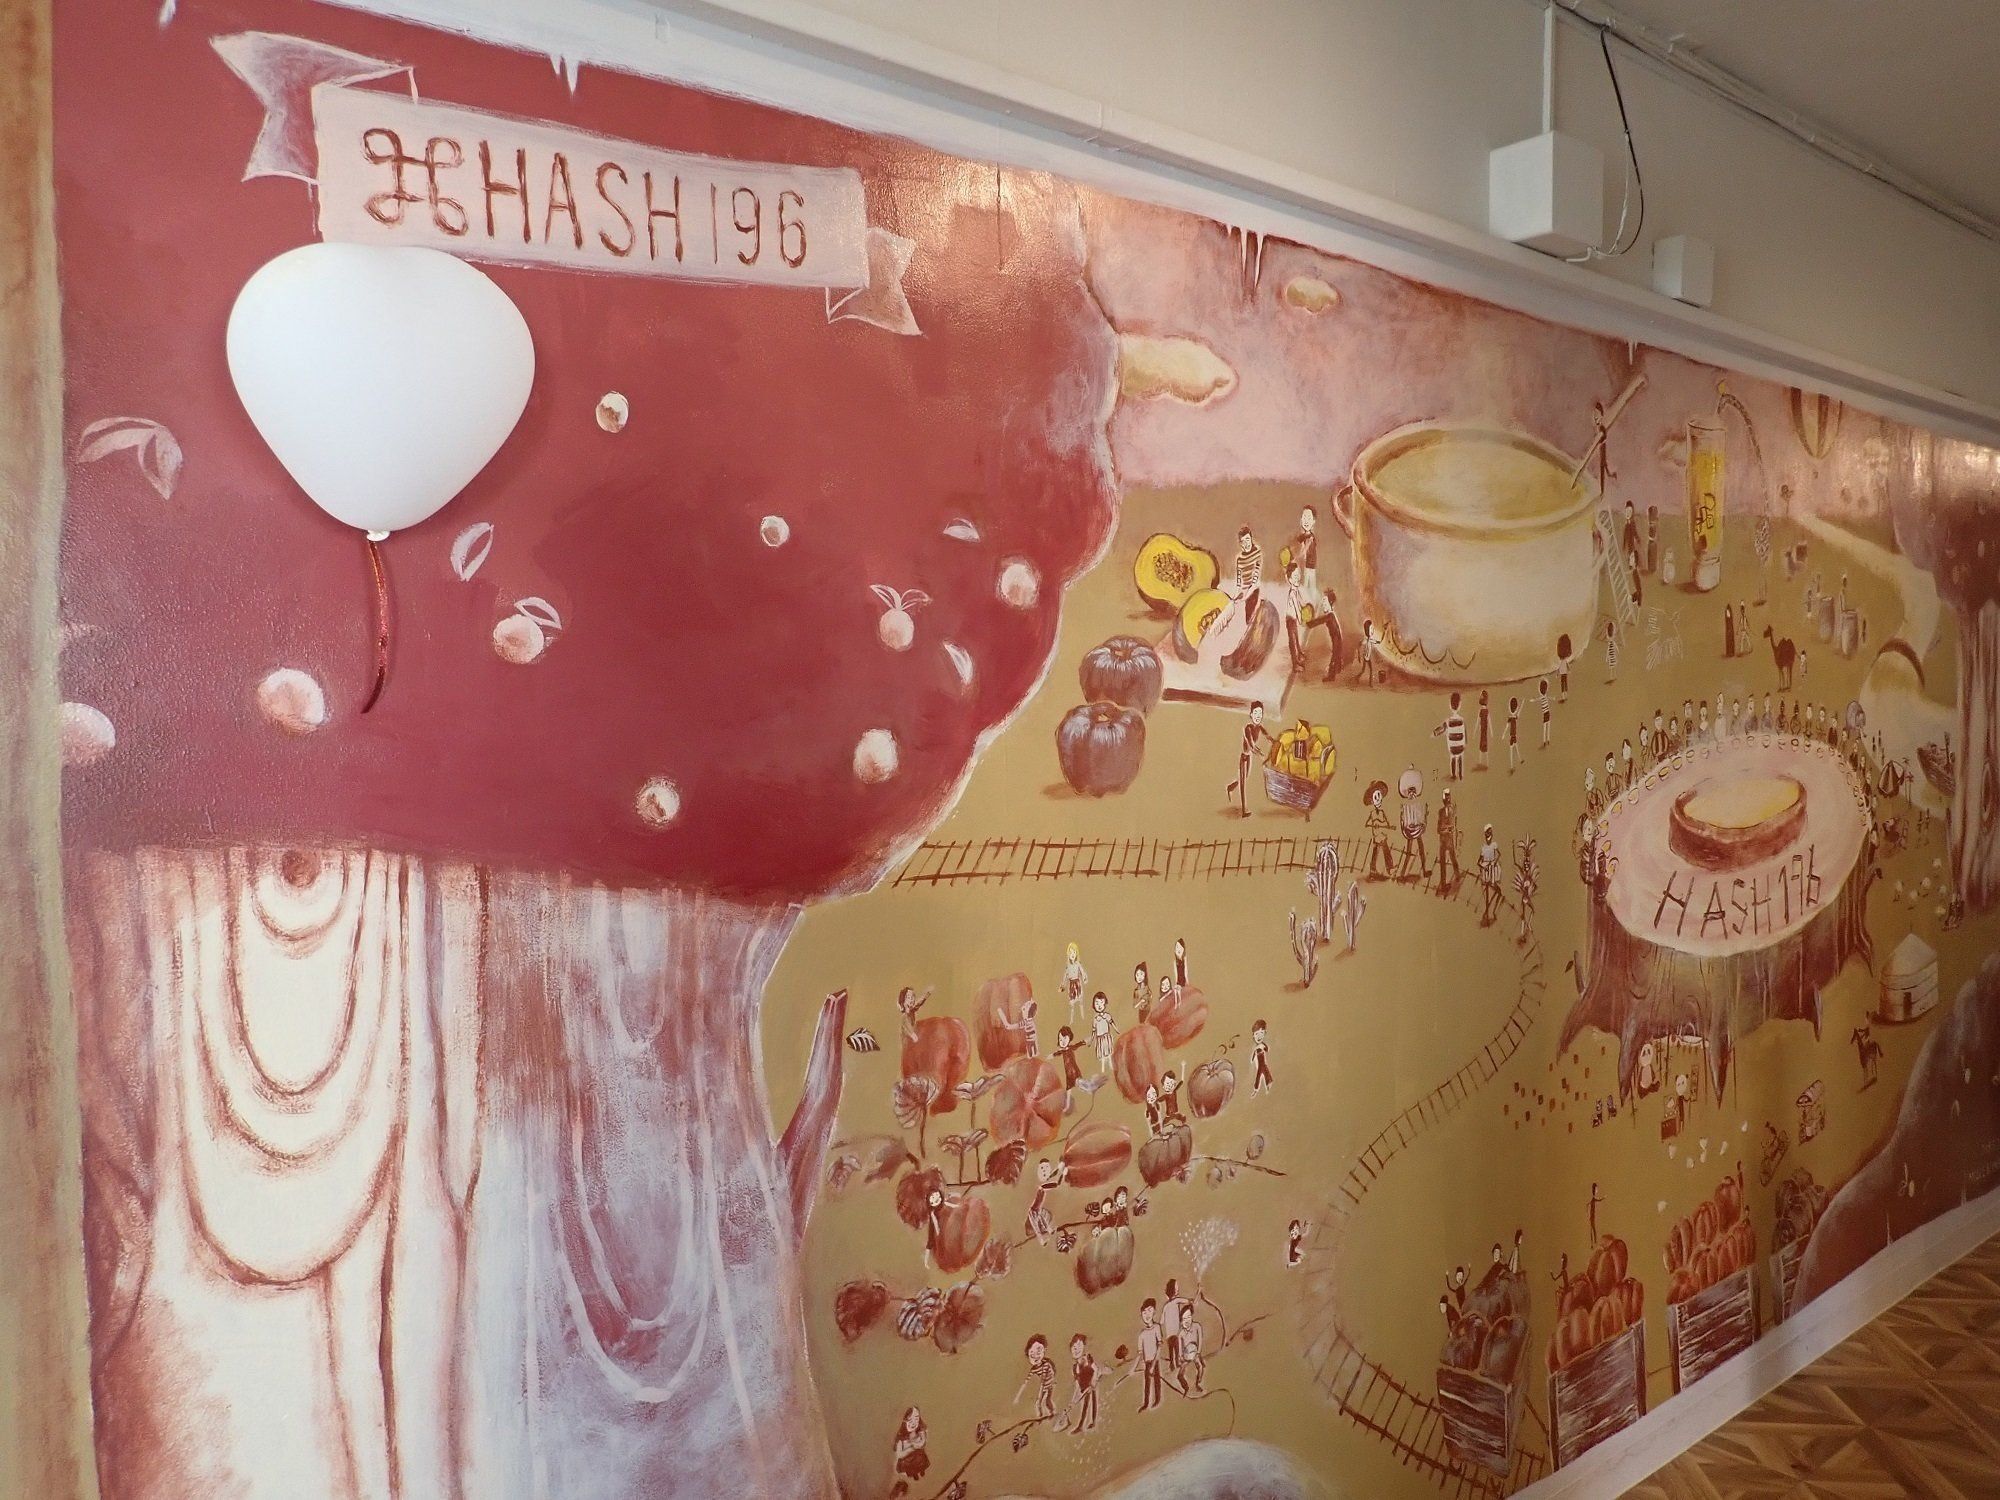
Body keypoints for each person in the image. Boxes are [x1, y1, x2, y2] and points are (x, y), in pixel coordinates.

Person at [1227, 702, 1272, 817]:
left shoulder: (1260, 727)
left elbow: (1268, 736)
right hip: (1244, 758)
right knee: (1243, 783)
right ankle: (1244, 811)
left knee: (1244, 778)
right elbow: (1251, 745)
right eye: (1255, 713)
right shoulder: (1248, 728)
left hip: (1249, 757)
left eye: (1260, 713)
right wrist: (1261, 754)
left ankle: (1230, 787)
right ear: (1251, 714)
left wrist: (1275, 742)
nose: (1258, 716)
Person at [1396, 766, 1429, 880]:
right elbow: (1404, 819)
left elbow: (1421, 816)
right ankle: (1402, 874)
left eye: (1413, 791)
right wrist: (1407, 826)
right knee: (1409, 852)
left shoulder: (1418, 805)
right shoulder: (1405, 806)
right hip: (1409, 830)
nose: (1412, 793)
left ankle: (1424, 870)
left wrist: (1422, 822)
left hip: (1417, 829)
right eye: (1410, 791)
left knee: (1421, 849)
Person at [1018, 1335, 1058, 1421]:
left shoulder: (1046, 1365)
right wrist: (1018, 1396)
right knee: (1039, 1402)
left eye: (1039, 1351)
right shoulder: (1034, 1369)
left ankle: (1051, 1413)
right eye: (1032, 1354)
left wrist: (1040, 1395)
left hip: (1049, 1385)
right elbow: (1026, 1382)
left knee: (1045, 1401)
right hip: (1044, 1386)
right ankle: (1040, 1416)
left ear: (1044, 1350)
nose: (1035, 1356)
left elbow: (1043, 1382)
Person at [1135, 1299, 1165, 1411]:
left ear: (1154, 1312)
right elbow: (1140, 1353)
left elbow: (1159, 1346)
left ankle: (1157, 1399)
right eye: (1144, 1312)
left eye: (1149, 1311)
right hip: (1147, 1362)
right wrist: (1134, 1367)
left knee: (1156, 1380)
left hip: (1155, 1361)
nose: (1147, 1315)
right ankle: (1146, 1403)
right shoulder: (1142, 1334)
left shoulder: (1157, 1327)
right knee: (1147, 1383)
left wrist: (1153, 1364)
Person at [1027, 1157, 1063, 1243]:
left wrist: (1059, 1169)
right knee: (1037, 1228)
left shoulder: (1043, 1184)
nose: (1044, 1170)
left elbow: (1052, 1178)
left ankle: (1050, 1231)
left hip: (1038, 1210)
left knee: (1043, 1221)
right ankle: (1043, 1240)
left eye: (1046, 1168)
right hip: (1033, 1211)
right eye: (1042, 1168)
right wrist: (1061, 1173)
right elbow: (1055, 1183)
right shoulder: (1041, 1187)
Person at [1069, 1334, 1100, 1433]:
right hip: (1084, 1389)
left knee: (1093, 1403)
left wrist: (1093, 1381)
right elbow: (1077, 1384)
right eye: (1074, 1347)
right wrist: (1074, 1399)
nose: (1076, 1350)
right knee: (1085, 1406)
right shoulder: (1075, 1368)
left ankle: (1093, 1422)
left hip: (1091, 1386)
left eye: (1079, 1346)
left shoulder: (1088, 1359)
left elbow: (1096, 1369)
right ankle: (1081, 1425)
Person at [892, 1406, 929, 1488]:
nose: (913, 1423)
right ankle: (915, 1474)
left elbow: (923, 1442)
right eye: (910, 1420)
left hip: (918, 1456)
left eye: (916, 1419)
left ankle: (921, 1470)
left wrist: (918, 1444)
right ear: (904, 1421)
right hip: (908, 1460)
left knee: (921, 1460)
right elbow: (899, 1455)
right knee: (911, 1467)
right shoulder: (901, 1437)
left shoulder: (920, 1429)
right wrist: (912, 1447)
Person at [1363, 779, 1394, 878]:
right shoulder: (1372, 813)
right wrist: (1373, 825)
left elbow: (1386, 822)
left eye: (1379, 796)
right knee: (1376, 852)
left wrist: (1384, 825)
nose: (1378, 799)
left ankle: (1389, 868)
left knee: (1385, 850)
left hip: (1382, 834)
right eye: (1375, 797)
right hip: (1376, 835)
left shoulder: (1381, 812)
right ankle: (1373, 869)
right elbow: (1367, 823)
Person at [1435, 691, 1467, 779]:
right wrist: (1464, 744)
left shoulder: (1448, 721)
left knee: (1452, 758)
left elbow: (1441, 729)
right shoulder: (1461, 720)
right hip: (1461, 747)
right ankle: (1460, 774)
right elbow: (1464, 733)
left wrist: (1435, 733)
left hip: (1452, 748)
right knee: (1460, 757)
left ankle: (1453, 774)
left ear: (1450, 705)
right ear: (1460, 705)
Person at [1436, 787, 1462, 893]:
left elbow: (1454, 825)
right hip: (1443, 840)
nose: (1447, 801)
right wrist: (1446, 829)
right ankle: (1443, 884)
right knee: (1442, 863)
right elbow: (1439, 829)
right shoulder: (1441, 812)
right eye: (1446, 799)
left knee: (1453, 858)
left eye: (1448, 798)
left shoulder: (1452, 811)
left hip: (1449, 840)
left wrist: (1449, 829)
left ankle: (1457, 874)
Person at [1476, 824, 1502, 926]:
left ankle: (1491, 910)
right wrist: (1483, 867)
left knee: (1497, 891)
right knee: (1488, 892)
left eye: (1490, 833)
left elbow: (1499, 854)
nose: (1489, 836)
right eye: (1488, 833)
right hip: (1486, 870)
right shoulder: (1483, 847)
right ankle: (1487, 912)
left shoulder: (1494, 845)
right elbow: (1478, 862)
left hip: (1492, 869)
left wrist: (1494, 862)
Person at [1061, 941, 1087, 1023]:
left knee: (1080, 1001)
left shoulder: (1078, 964)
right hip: (1071, 985)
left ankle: (1082, 1017)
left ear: (1076, 954)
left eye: (1074, 952)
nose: (1072, 954)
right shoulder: (1068, 966)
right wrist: (1062, 985)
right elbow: (1065, 976)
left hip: (1078, 984)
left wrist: (1084, 977)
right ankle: (1071, 1020)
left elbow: (1082, 972)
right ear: (1068, 954)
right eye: (1071, 952)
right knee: (1072, 1004)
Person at [1090, 991, 1116, 1073]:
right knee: (1102, 1055)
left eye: (1101, 1002)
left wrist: (1116, 1030)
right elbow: (1093, 1031)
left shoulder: (1107, 1016)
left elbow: (1112, 1023)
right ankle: (1103, 1069)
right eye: (1097, 1003)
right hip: (1100, 1038)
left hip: (1106, 1037)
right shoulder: (1095, 1019)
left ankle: (1111, 1066)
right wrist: (1091, 1040)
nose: (1099, 1005)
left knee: (1109, 1053)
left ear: (1105, 1003)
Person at [1251, 1020, 1273, 1093]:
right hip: (1260, 1066)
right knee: (1261, 1076)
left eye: (1261, 1033)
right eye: (1256, 1033)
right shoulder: (1256, 1047)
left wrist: (1262, 1047)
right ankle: (1257, 1089)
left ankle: (1266, 1087)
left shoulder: (1262, 1045)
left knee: (1265, 1075)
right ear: (1253, 1035)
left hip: (1263, 1065)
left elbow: (1266, 1049)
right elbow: (1254, 1054)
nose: (1259, 1036)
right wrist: (1252, 1059)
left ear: (1264, 1033)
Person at [1476, 689, 1492, 769]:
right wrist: (1491, 731)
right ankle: (1485, 762)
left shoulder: (1481, 711)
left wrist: (1475, 730)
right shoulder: (1486, 711)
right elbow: (1489, 721)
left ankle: (1481, 762)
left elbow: (1477, 721)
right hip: (1484, 730)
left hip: (1482, 730)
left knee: (1482, 745)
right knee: (1485, 745)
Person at [1506, 696, 1522, 772]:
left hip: (1512, 735)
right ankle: (1514, 764)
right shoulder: (1514, 717)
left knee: (1514, 748)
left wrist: (1504, 734)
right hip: (1513, 735)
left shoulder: (1512, 717)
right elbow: (1519, 711)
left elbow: (1507, 727)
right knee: (1514, 749)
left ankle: (1517, 761)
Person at [1539, 679, 1553, 748]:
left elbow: (1538, 699)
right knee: (1547, 726)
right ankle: (1547, 740)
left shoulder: (1542, 697)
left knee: (1545, 727)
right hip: (1547, 712)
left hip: (1545, 713)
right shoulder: (1544, 696)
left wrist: (1533, 700)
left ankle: (1545, 741)